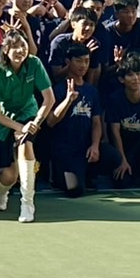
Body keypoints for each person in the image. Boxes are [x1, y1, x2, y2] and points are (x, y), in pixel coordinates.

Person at [0, 30, 56, 222]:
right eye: (14, 47)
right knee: (10, 176)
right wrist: (18, 127)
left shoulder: (34, 63)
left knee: (26, 145)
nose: (20, 50)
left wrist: (34, 123)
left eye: (23, 46)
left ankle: (27, 204)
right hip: (1, 122)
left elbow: (49, 99)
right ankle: (1, 192)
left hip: (28, 115)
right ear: (6, 50)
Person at [45, 43, 104, 197]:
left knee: (114, 159)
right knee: (74, 190)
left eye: (86, 61)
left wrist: (95, 145)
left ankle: (88, 175)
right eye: (78, 61)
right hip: (65, 150)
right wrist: (68, 100)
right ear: (68, 62)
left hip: (86, 147)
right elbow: (50, 121)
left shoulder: (92, 91)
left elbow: (96, 122)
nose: (83, 65)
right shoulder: (57, 89)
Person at [105, 53, 140, 190]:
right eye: (130, 75)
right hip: (123, 148)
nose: (135, 78)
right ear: (121, 79)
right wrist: (122, 161)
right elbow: (115, 132)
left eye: (138, 74)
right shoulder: (115, 99)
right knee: (121, 183)